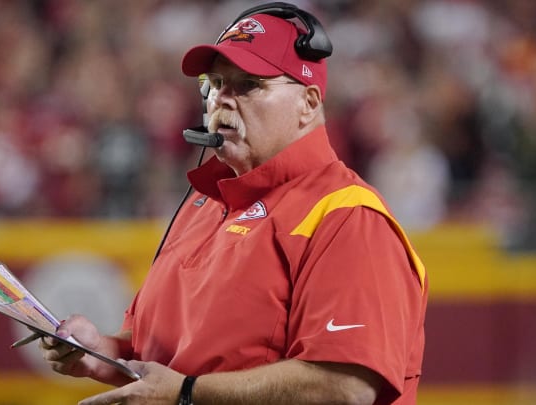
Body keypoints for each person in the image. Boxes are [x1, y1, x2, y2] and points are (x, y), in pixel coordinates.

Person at [38, 3, 428, 404]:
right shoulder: (203, 206)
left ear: (308, 103)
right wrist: (102, 353)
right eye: (215, 84)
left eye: (249, 85)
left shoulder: (347, 215)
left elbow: (345, 387)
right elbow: (160, 357)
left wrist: (187, 394)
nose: (222, 100)